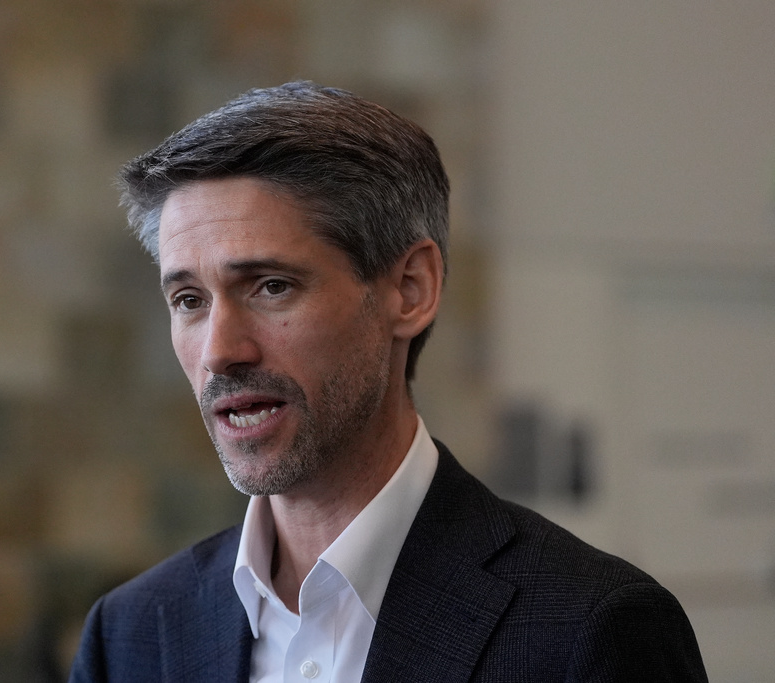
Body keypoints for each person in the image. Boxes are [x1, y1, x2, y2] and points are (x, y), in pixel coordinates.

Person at [69, 81, 707, 682]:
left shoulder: (590, 631)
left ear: (410, 290)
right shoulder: (129, 636)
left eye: (270, 286)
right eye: (188, 300)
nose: (220, 352)